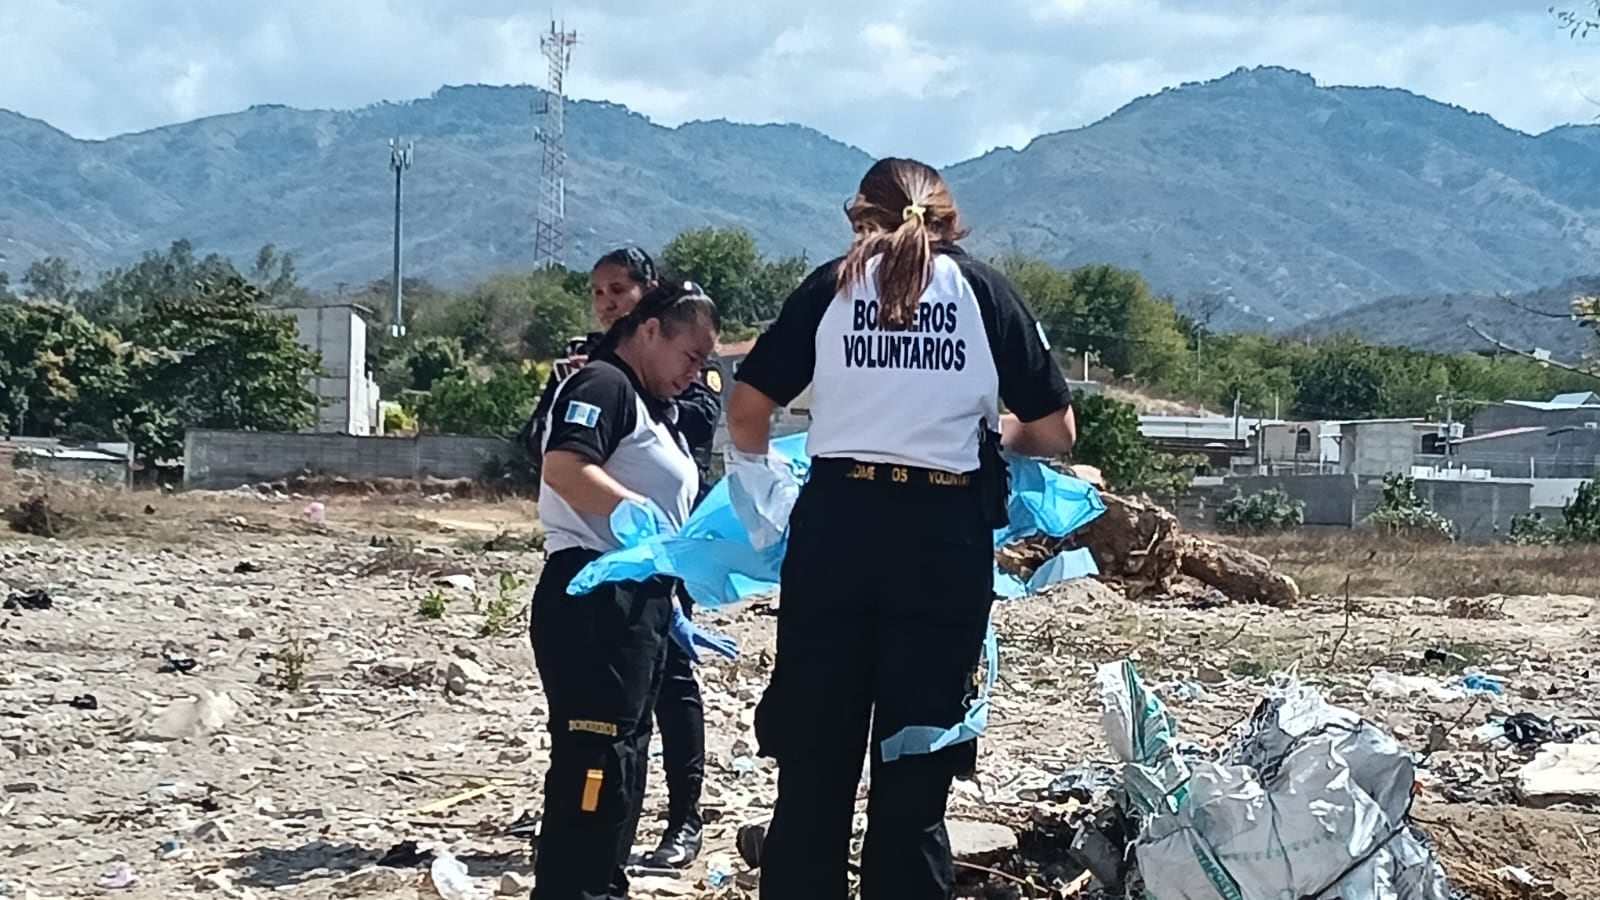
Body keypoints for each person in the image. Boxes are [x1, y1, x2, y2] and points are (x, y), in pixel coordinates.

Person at [725, 157, 1077, 900]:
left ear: (861, 218)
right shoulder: (985, 292)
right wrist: (992, 433)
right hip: (940, 541)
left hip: (835, 531)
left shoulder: (830, 287)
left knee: (813, 768)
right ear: (950, 222)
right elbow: (1055, 430)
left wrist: (766, 491)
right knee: (916, 774)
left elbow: (748, 410)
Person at [528, 280, 735, 900]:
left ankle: (601, 885)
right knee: (596, 759)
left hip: (636, 600)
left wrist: (668, 603)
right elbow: (564, 466)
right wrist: (633, 515)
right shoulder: (605, 385)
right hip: (595, 593)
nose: (695, 374)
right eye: (690, 356)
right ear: (649, 331)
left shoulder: (653, 408)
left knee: (624, 756)